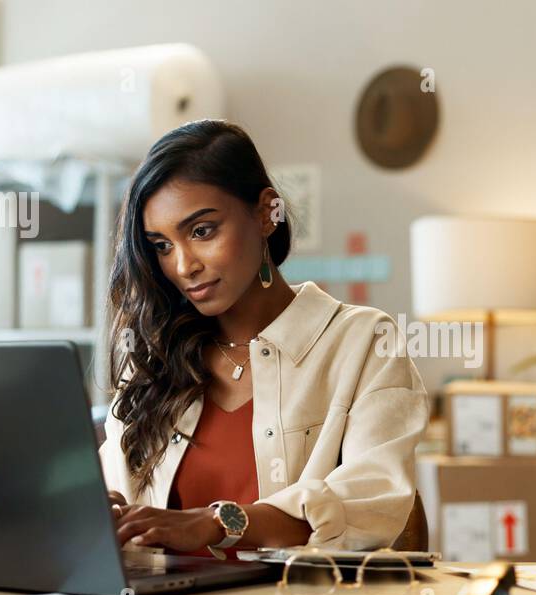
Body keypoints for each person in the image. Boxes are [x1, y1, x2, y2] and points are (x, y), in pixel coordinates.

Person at [98, 119, 429, 554]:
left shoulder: (364, 343)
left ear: (265, 213)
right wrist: (105, 510)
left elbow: (374, 502)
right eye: (161, 245)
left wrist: (217, 524)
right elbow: (119, 498)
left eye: (202, 231)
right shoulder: (154, 356)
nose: (183, 266)